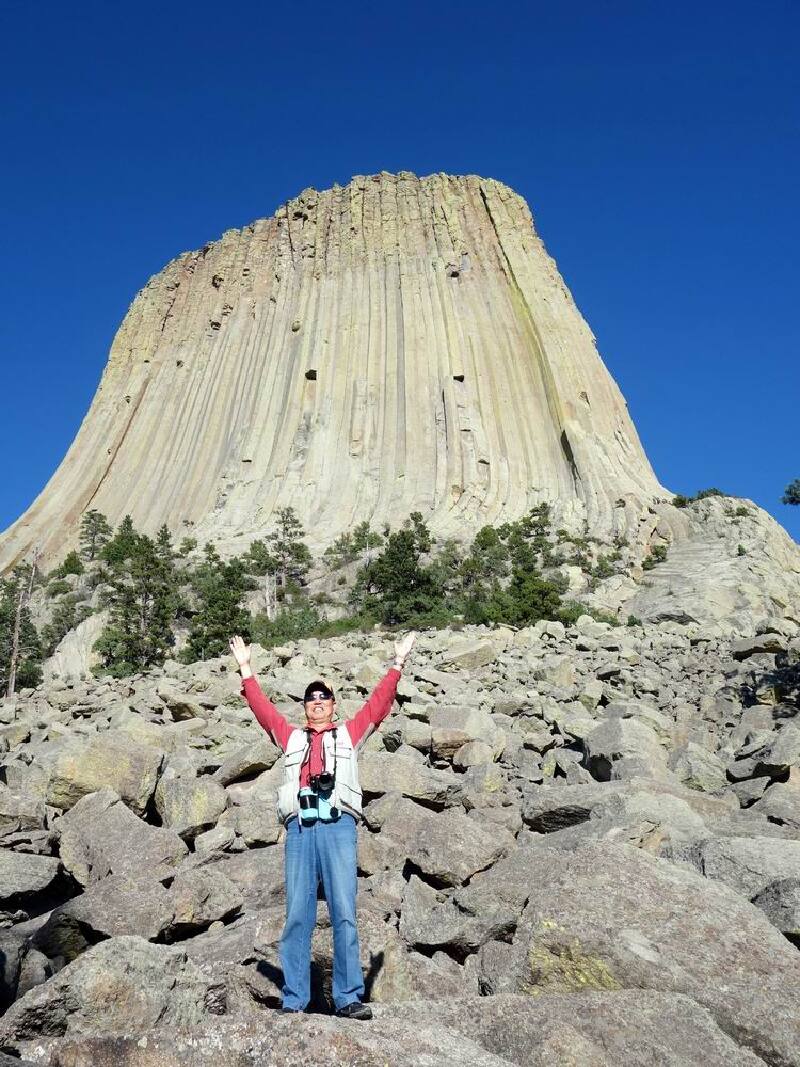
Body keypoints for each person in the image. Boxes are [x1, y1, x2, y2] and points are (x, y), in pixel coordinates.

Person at [229, 630, 416, 1019]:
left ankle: (348, 997)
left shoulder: (349, 734)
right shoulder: (291, 738)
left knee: (344, 910)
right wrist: (246, 670)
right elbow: (263, 711)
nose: (317, 703)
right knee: (298, 913)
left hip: (338, 828)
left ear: (333, 705)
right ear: (305, 707)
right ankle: (295, 999)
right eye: (311, 699)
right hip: (300, 830)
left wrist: (397, 664)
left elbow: (378, 706)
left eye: (323, 698)